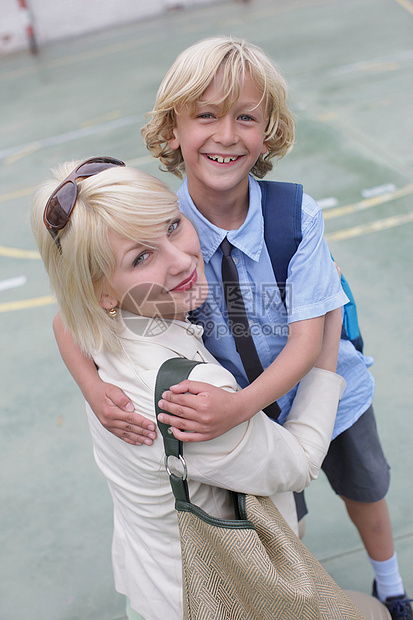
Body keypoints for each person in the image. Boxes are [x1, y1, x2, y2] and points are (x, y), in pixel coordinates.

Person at [53, 38, 412, 619]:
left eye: (245, 117)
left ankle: (391, 585)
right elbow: (71, 316)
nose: (226, 135)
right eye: (205, 115)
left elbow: (305, 344)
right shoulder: (161, 225)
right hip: (248, 417)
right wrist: (93, 390)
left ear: (268, 130)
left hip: (322, 392)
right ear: (172, 130)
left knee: (365, 489)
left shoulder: (296, 217)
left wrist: (238, 407)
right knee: (276, 518)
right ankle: (295, 593)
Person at [32, 158, 348, 620]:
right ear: (101, 291)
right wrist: (326, 336)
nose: (182, 260)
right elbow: (296, 464)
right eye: (141, 257)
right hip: (212, 594)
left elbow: (64, 320)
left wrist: (89, 385)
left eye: (173, 226)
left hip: (152, 580)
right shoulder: (190, 397)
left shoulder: (100, 326)